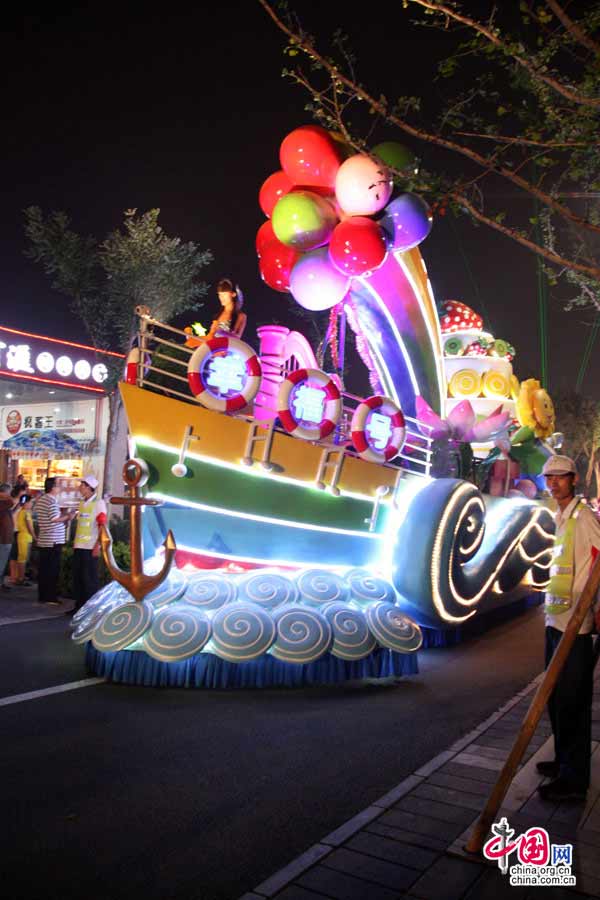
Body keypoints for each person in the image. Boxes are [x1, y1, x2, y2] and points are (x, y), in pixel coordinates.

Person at [537, 454, 600, 802]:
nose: (554, 483)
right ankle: (563, 760)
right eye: (549, 478)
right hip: (555, 622)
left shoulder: (583, 516)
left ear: (573, 479)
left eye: (560, 477)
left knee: (573, 703)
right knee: (556, 699)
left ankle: (574, 780)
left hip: (575, 628)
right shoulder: (560, 517)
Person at [35, 477, 75, 606]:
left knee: (45, 569)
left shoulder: (42, 500)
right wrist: (68, 516)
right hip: (52, 540)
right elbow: (54, 518)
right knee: (52, 570)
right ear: (52, 488)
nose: (60, 488)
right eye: (58, 485)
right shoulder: (51, 501)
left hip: (45, 539)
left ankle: (43, 595)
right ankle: (50, 597)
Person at [70, 475, 107, 614]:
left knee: (89, 579)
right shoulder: (82, 502)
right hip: (79, 546)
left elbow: (102, 525)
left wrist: (97, 545)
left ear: (88, 487)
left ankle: (90, 609)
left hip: (90, 547)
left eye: (82, 485)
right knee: (78, 577)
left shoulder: (99, 503)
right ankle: (78, 606)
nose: (80, 488)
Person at [184, 279, 245, 347]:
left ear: (233, 294)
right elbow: (211, 335)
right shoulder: (218, 314)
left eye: (224, 294)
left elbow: (237, 338)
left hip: (224, 348)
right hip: (211, 345)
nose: (221, 298)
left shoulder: (240, 315)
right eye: (219, 295)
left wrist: (220, 331)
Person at [14, 494, 35, 585]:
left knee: (22, 558)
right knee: (22, 559)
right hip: (25, 538)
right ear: (26, 503)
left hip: (22, 537)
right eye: (31, 502)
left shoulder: (21, 511)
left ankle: (20, 577)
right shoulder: (26, 512)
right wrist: (35, 536)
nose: (32, 504)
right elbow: (29, 526)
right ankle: (21, 578)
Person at [0, 483, 14, 590]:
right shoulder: (3, 503)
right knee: (1, 562)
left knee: (3, 562)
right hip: (3, 538)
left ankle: (1, 582)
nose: (10, 494)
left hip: (6, 537)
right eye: (9, 492)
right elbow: (10, 502)